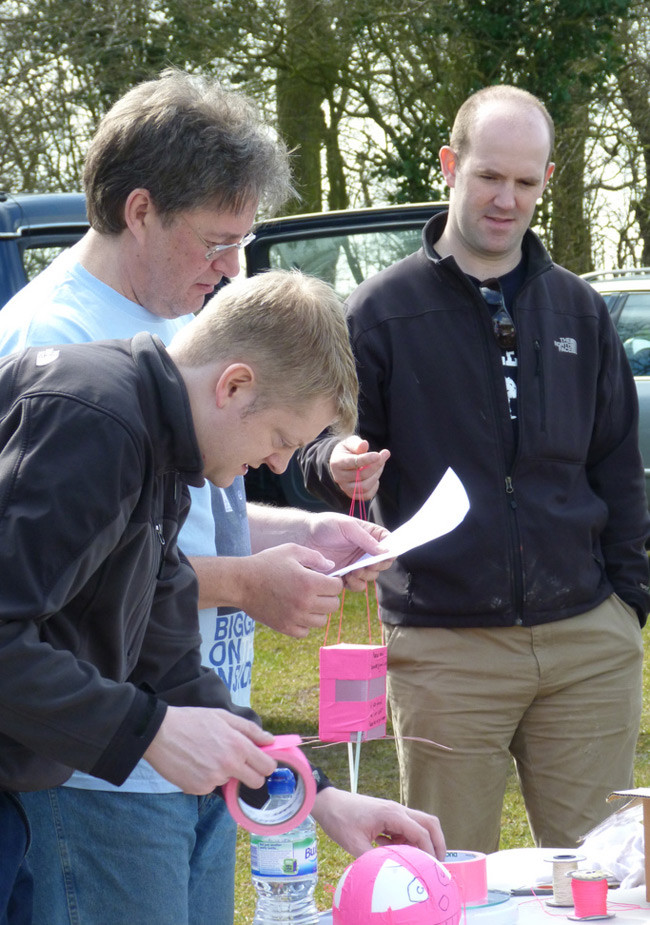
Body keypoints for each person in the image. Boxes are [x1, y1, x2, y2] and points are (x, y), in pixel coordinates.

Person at [0, 70, 414, 924]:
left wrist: (317, 792)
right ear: (230, 386)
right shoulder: (93, 409)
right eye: (273, 444)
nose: (230, 272)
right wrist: (148, 730)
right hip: (71, 783)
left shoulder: (161, 430)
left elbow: (166, 657)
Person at [298, 84, 650, 854]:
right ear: (451, 166)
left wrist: (628, 605)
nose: (506, 198)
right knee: (449, 878)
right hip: (446, 645)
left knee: (599, 880)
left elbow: (620, 470)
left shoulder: (580, 311)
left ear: (546, 183)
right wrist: (338, 463)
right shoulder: (378, 311)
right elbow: (310, 443)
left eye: (526, 182)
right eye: (490, 175)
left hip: (588, 641)